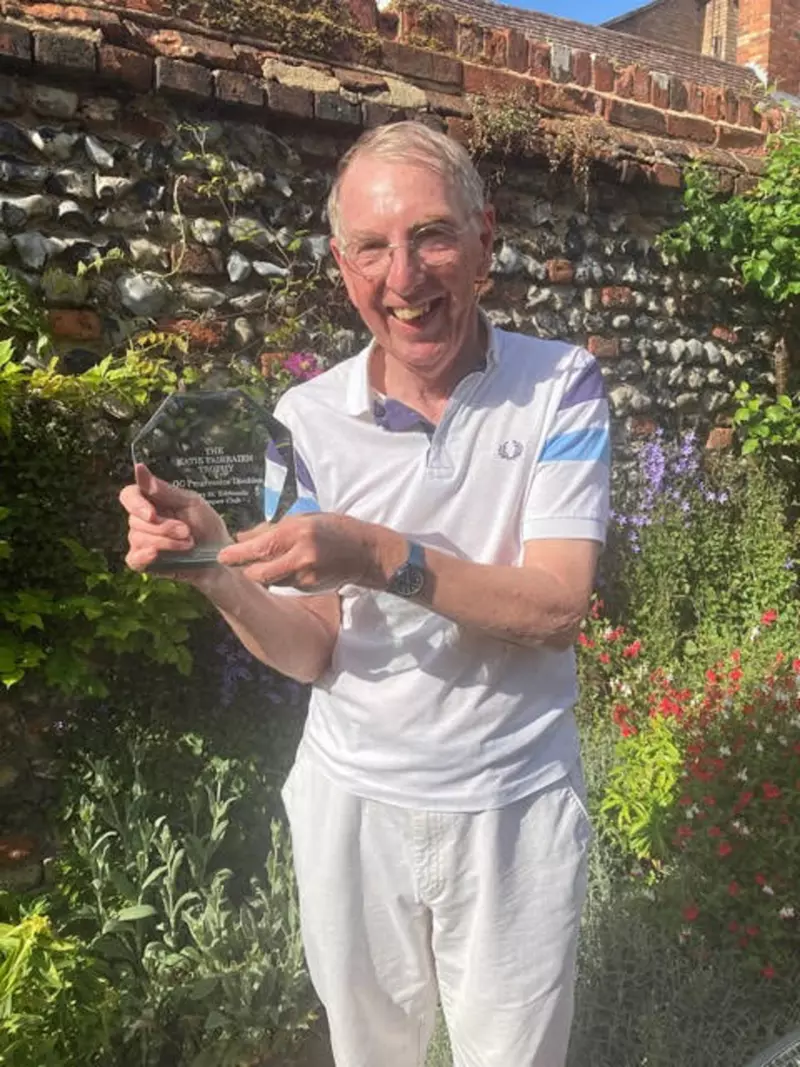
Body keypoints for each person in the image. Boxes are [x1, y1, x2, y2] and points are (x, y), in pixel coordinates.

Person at [120, 120, 610, 1067]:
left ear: (484, 241)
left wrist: (377, 554)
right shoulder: (305, 419)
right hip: (353, 805)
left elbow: (556, 608)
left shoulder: (561, 387)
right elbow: (313, 648)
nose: (404, 277)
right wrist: (212, 566)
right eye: (372, 248)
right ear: (340, 266)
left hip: (512, 804)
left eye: (431, 235)